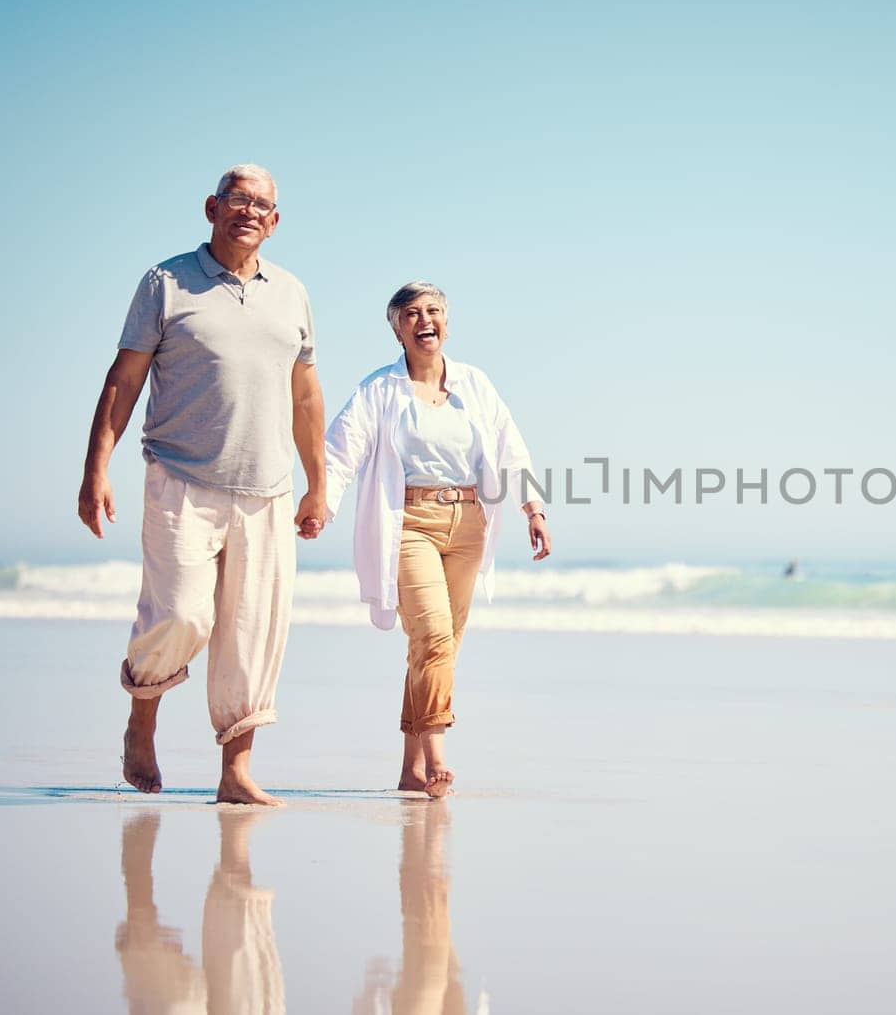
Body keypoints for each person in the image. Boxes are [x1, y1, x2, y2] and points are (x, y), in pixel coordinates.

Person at [78, 164, 326, 806]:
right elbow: (124, 379)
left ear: (276, 221)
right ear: (212, 208)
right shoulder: (166, 282)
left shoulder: (292, 292)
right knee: (183, 614)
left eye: (263, 204)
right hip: (180, 478)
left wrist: (316, 483)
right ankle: (142, 717)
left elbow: (306, 395)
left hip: (267, 488)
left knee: (251, 633)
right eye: (238, 199)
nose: (250, 211)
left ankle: (235, 772)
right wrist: (95, 468)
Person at [324, 282, 551, 798]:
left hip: (470, 524)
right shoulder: (379, 389)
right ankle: (437, 758)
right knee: (432, 637)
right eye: (412, 313)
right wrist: (323, 501)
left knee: (439, 647)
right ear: (396, 327)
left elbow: (511, 447)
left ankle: (409, 770)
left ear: (447, 321)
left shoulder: (475, 384)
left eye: (434, 311)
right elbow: (343, 447)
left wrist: (533, 508)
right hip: (408, 523)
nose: (424, 320)